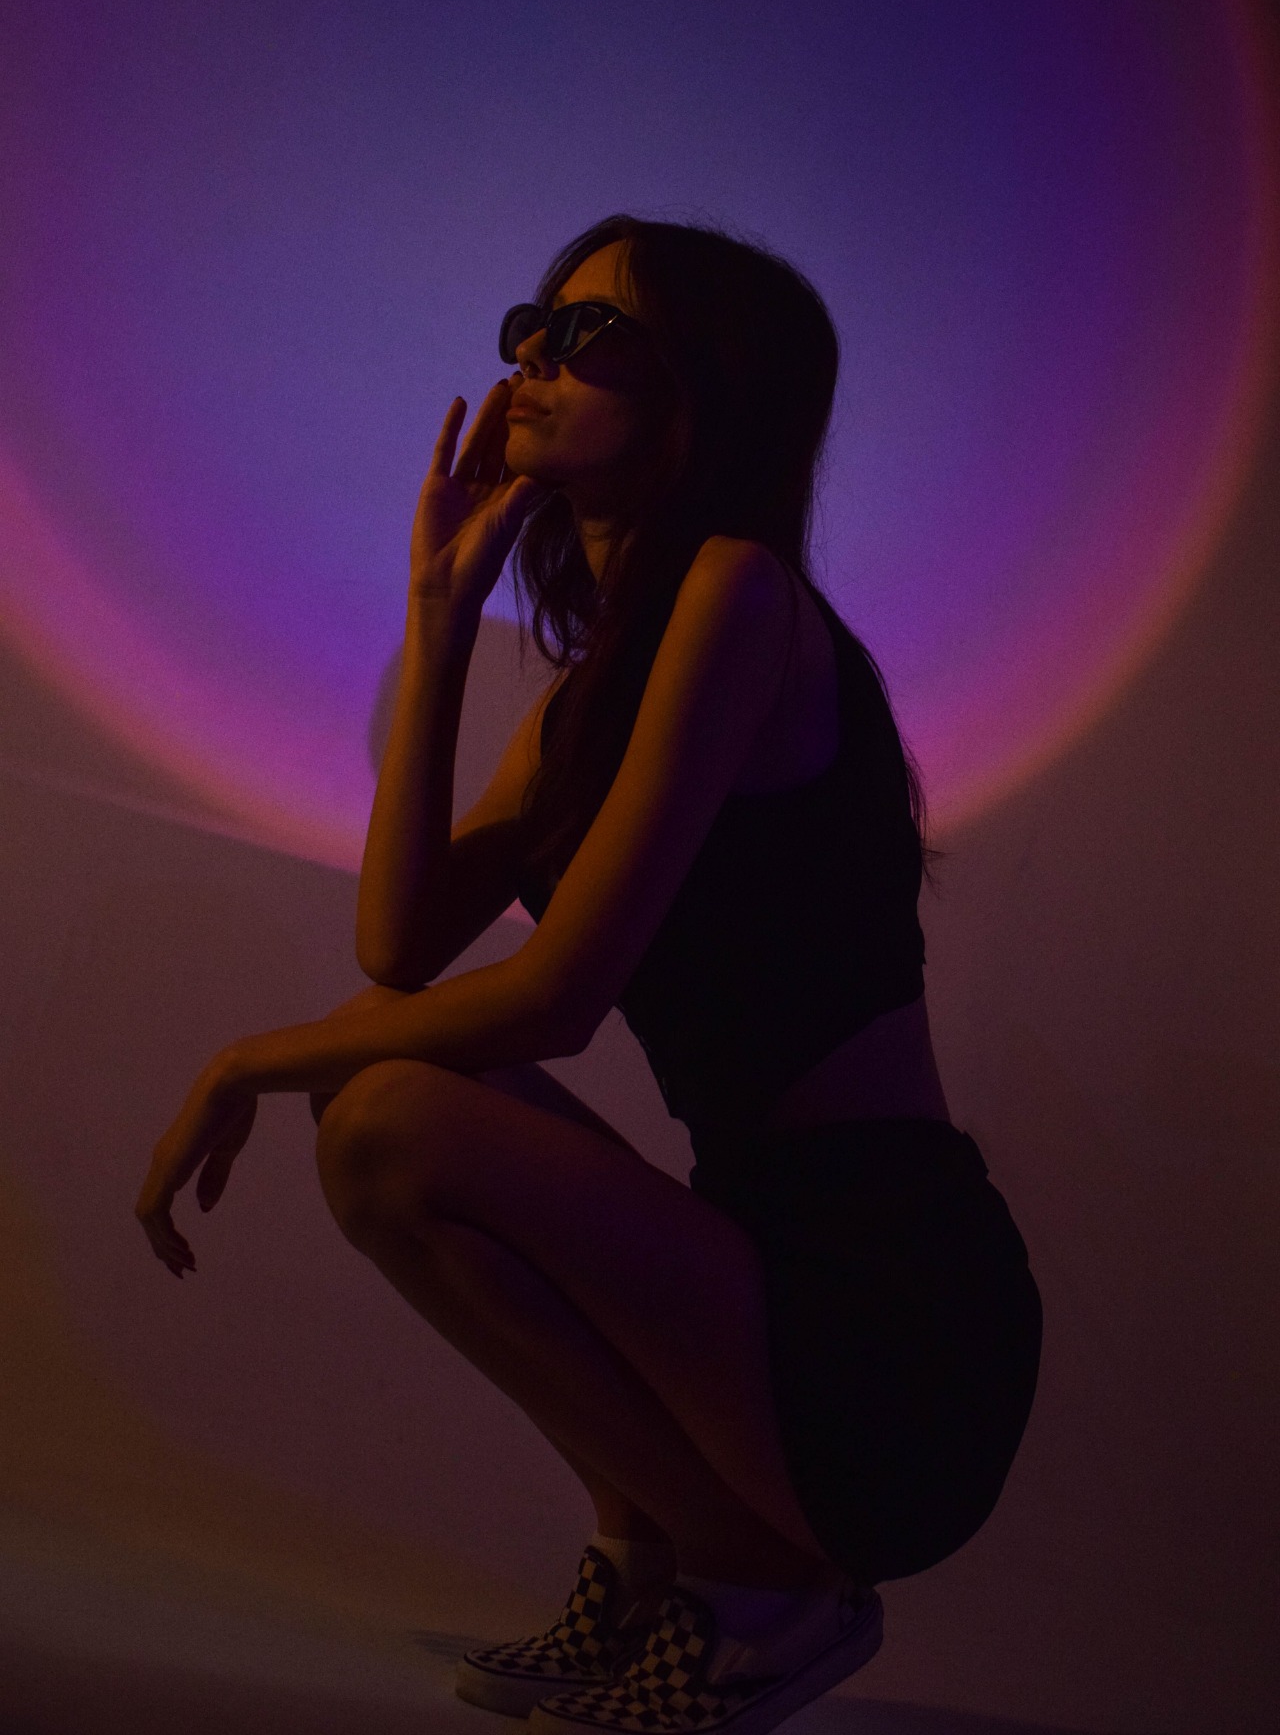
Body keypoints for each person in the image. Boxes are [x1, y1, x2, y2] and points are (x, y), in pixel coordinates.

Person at [135, 214, 1043, 1735]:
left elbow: (555, 997)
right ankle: (648, 1562)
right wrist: (438, 619)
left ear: (707, 392)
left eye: (592, 336)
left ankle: (763, 1593)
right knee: (377, 1083)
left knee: (384, 1104)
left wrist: (243, 1060)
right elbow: (399, 947)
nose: (535, 364)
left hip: (887, 1320)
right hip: (751, 1263)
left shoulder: (738, 593)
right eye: (531, 329)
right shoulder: (594, 692)